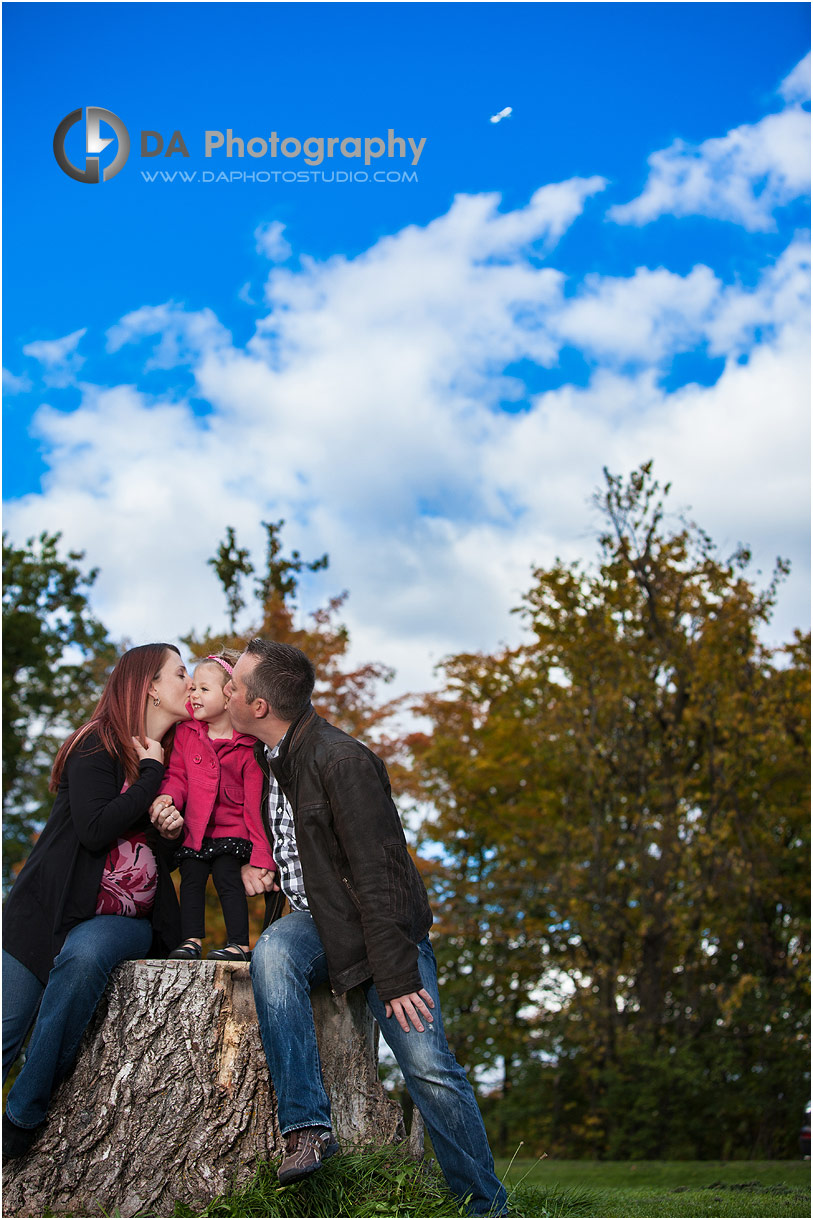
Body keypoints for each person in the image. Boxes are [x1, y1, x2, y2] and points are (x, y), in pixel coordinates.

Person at [224, 638, 508, 1218]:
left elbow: (382, 881)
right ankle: (308, 1126)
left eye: (234, 685)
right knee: (272, 956)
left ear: (258, 708)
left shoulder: (341, 761)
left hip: (384, 933)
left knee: (428, 1067)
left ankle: (486, 1205)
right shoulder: (268, 754)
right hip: (316, 922)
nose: (224, 689)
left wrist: (398, 975)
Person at [2, 643, 193, 1160]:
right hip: (43, 914)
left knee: (85, 960)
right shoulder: (98, 743)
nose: (190, 683)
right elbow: (94, 830)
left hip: (124, 918)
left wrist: (172, 833)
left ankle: (22, 1116)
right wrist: (149, 775)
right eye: (181, 673)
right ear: (150, 685)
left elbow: (162, 857)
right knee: (4, 1034)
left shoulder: (179, 759)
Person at [152, 650, 275, 962]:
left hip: (231, 832)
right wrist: (169, 798)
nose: (194, 695)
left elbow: (255, 807)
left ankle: (238, 944)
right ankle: (190, 940)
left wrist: (262, 857)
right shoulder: (186, 733)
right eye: (193, 688)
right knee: (192, 879)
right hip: (196, 830)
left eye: (203, 690)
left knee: (227, 879)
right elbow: (177, 775)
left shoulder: (247, 746)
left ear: (228, 695)